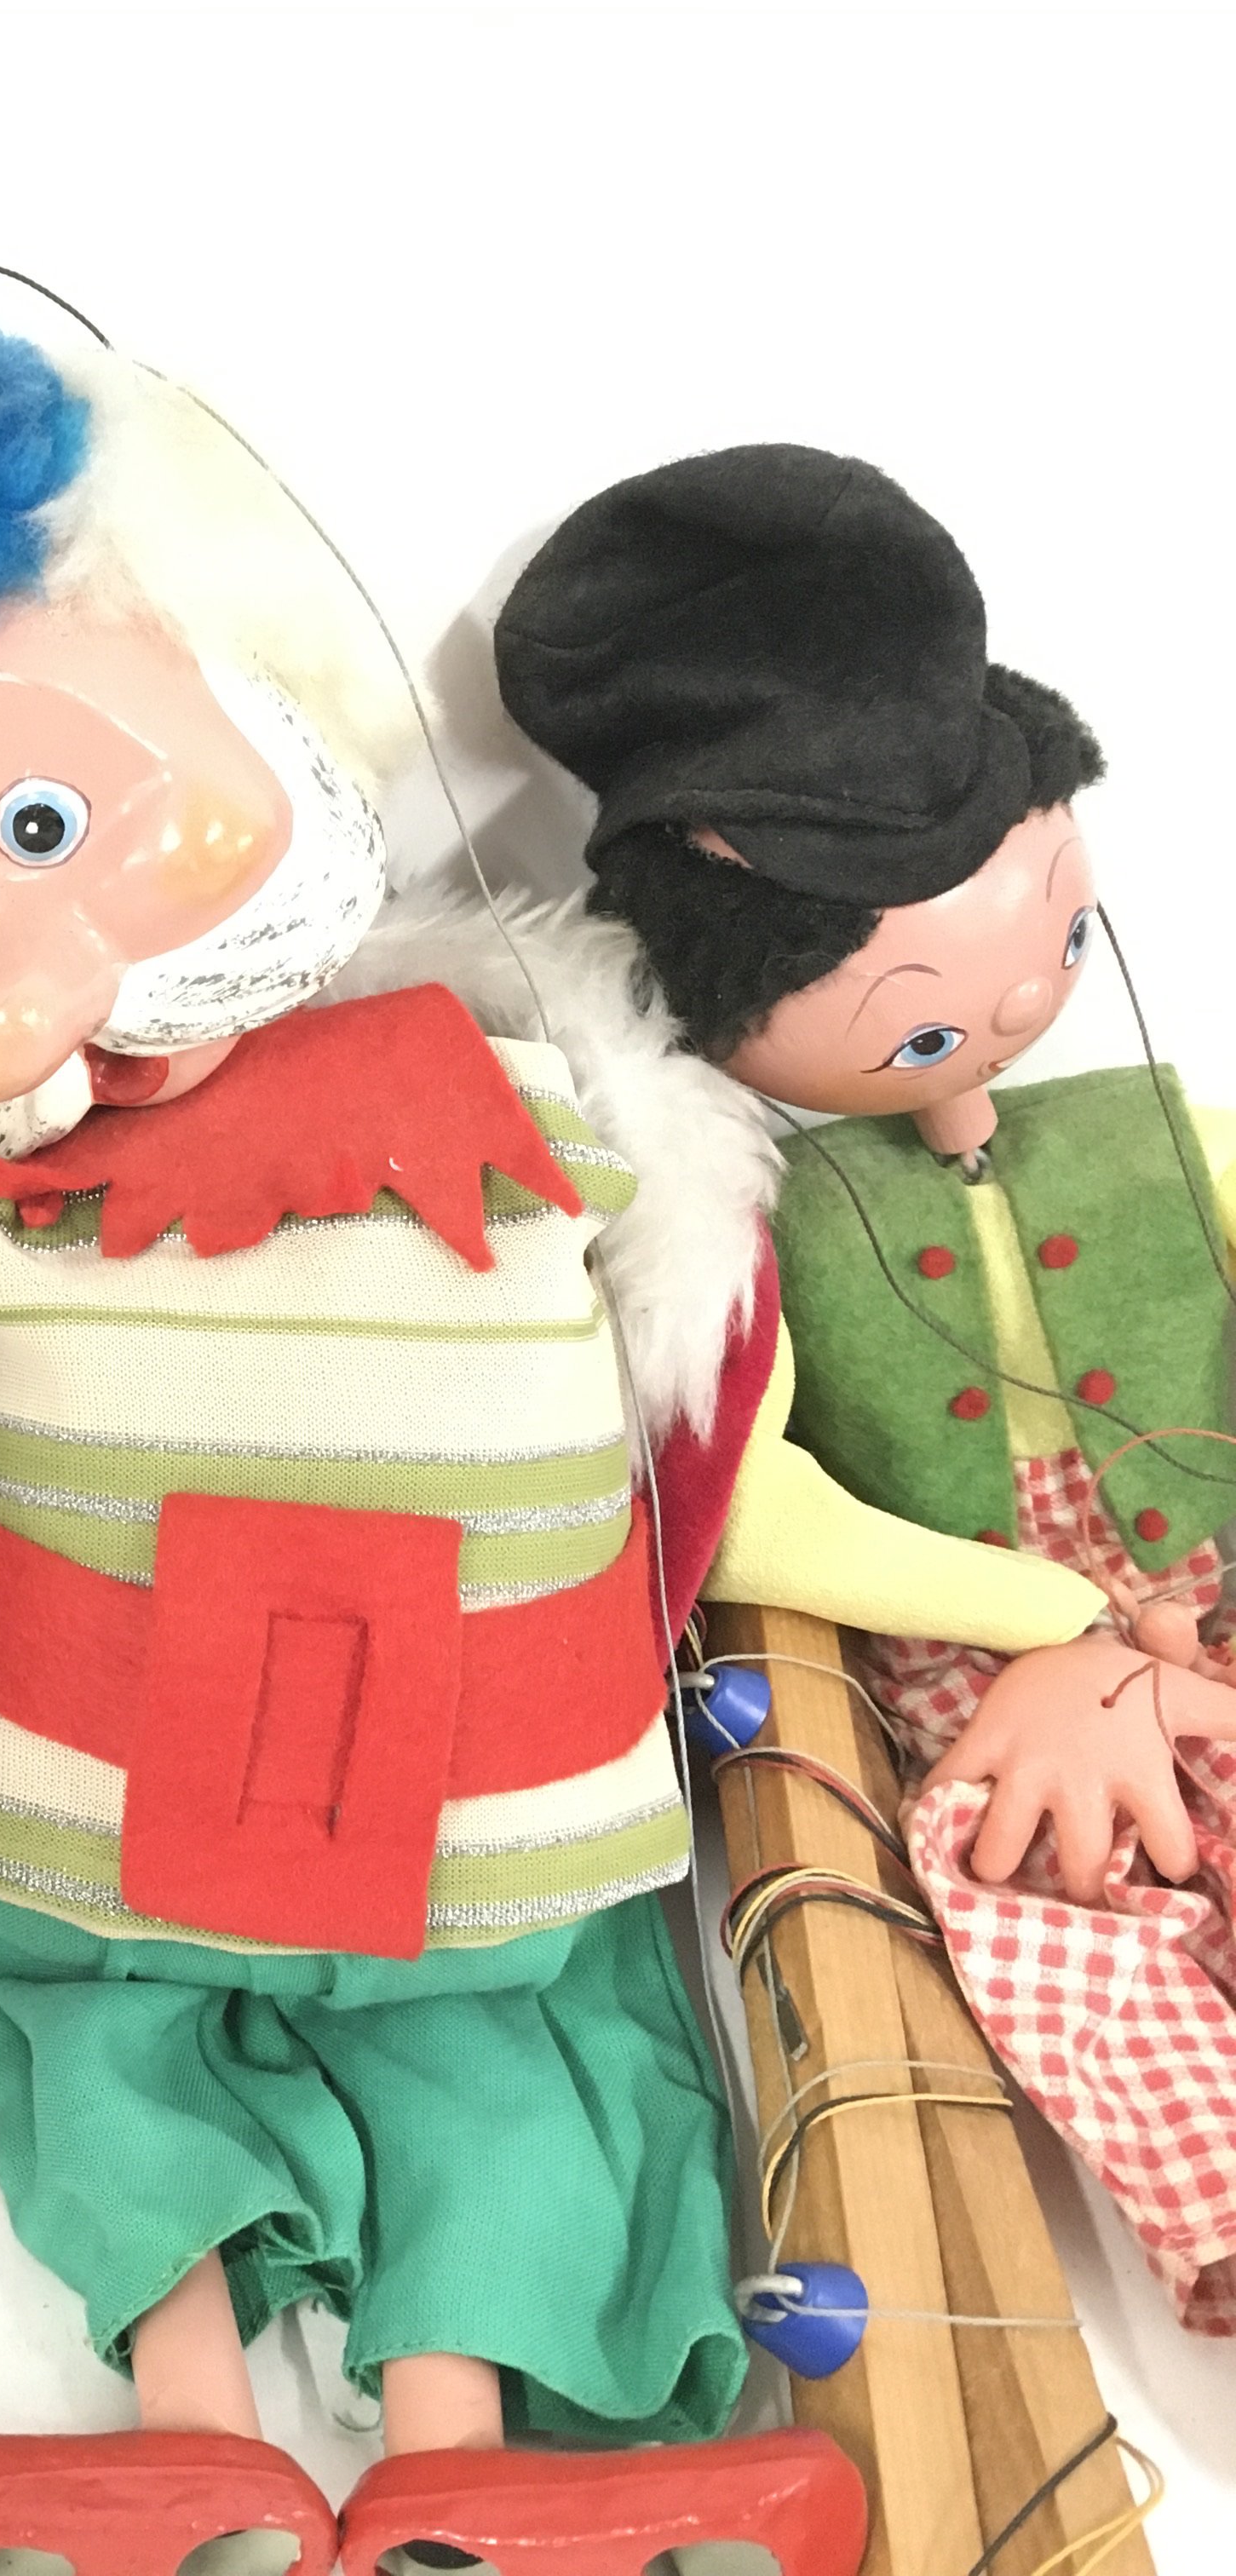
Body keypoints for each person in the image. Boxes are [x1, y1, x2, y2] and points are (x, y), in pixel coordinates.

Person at [0, 251, 864, 2576]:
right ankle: (183, 2439)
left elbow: (695, 1296)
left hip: (470, 1765)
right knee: (102, 2019)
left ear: (233, 662)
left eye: (43, 830)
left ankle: (456, 2457)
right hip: (84, 1764)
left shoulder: (520, 1034)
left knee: (498, 2020)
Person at [501, 445, 1236, 2337]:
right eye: (918, 1019)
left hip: (1217, 1591)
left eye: (1056, 938)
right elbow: (754, 1509)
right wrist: (1061, 1626)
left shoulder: (1174, 1129)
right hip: (976, 1649)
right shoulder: (757, 1228)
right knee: (1039, 1885)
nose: (1011, 1024)